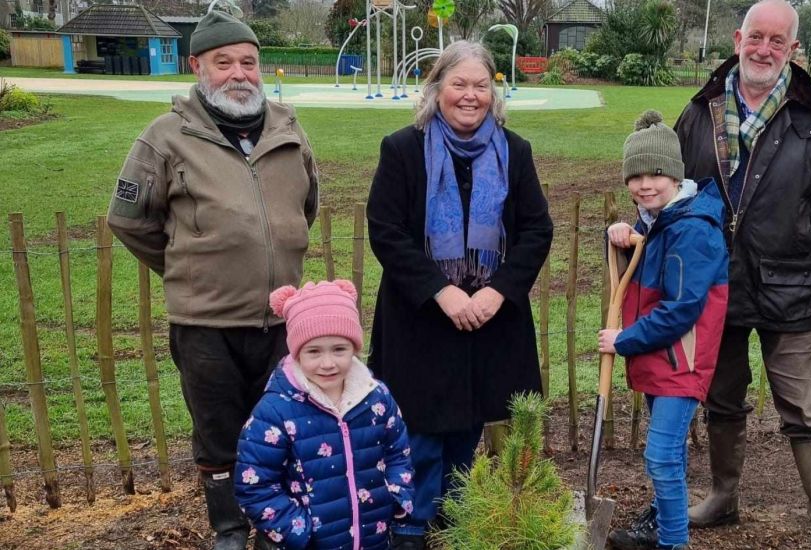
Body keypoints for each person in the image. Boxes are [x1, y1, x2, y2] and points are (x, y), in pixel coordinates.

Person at [106, 4, 320, 548]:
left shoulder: (289, 129)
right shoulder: (166, 136)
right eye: (223, 62)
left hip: (281, 321)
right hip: (205, 324)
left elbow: (306, 206)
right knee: (218, 431)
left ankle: (276, 525)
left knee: (281, 428)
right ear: (197, 65)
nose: (238, 74)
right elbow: (128, 220)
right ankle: (228, 528)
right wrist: (187, 264)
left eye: (248, 61)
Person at [674, 1, 811, 549]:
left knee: (805, 411)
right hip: (716, 284)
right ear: (738, 38)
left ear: (792, 50)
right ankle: (723, 497)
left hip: (790, 285)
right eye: (756, 37)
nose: (764, 50)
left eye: (777, 42)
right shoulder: (701, 108)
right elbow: (676, 194)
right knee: (722, 397)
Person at [365, 40, 553, 549]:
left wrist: (499, 292)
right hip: (421, 319)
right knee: (419, 433)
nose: (470, 96)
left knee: (467, 427)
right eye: (458, 84)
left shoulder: (515, 152)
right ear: (437, 89)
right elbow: (386, 230)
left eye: (481, 85)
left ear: (494, 92)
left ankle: (453, 521)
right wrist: (441, 291)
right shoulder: (403, 148)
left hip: (488, 321)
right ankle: (410, 527)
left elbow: (537, 229)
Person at [597, 111, 729, 550]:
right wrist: (624, 231)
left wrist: (624, 340)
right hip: (662, 360)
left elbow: (681, 310)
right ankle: (661, 523)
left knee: (659, 456)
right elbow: (643, 249)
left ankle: (674, 542)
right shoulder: (658, 220)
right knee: (669, 454)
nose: (644, 184)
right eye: (635, 175)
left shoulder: (693, 230)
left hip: (682, 360)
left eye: (656, 173)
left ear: (675, 174)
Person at [234, 280, 415, 549]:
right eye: (314, 351)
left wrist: (396, 497)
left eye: (339, 349)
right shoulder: (275, 412)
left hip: (373, 537)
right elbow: (255, 485)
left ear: (354, 348)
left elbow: (398, 453)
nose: (328, 363)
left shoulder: (377, 398)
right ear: (296, 353)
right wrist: (298, 529)